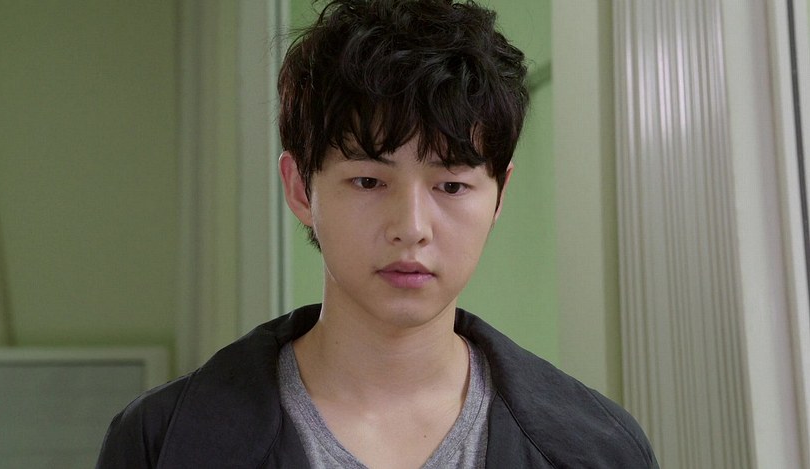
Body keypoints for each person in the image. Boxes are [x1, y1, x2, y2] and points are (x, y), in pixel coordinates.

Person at [97, 0, 658, 467]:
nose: (411, 228)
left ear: (498, 196)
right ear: (300, 189)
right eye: (368, 181)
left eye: (452, 186)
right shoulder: (159, 442)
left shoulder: (598, 448)